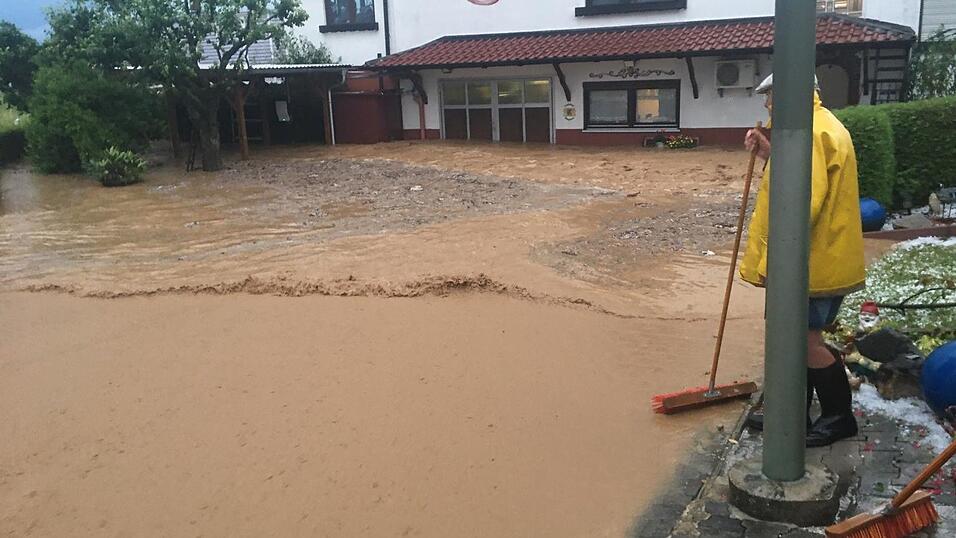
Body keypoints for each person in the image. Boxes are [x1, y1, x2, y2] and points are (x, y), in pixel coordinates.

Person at [740, 74, 866, 447]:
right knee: (797, 339)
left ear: (792, 96)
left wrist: (773, 263)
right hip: (821, 256)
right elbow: (802, 179)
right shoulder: (819, 128)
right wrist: (770, 154)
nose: (767, 106)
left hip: (811, 262)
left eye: (772, 98)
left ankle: (838, 418)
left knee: (806, 340)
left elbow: (801, 201)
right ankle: (794, 412)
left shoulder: (810, 134)